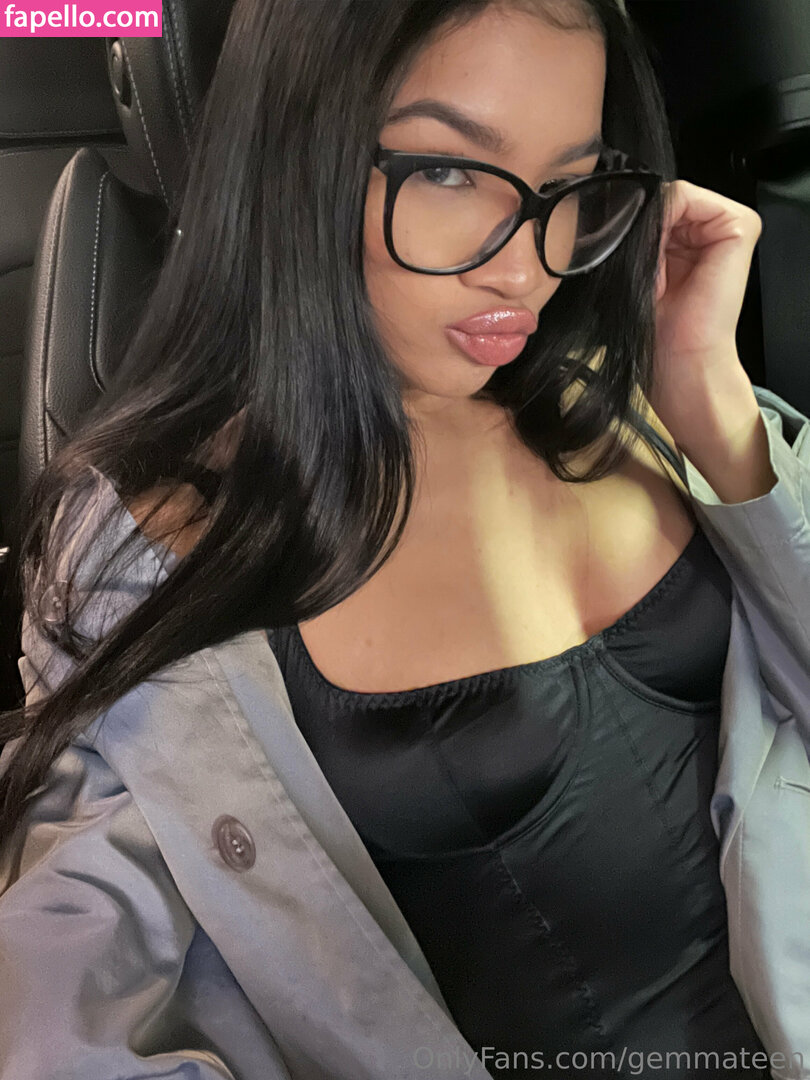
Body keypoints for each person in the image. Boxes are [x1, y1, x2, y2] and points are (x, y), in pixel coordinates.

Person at [0, 0, 807, 1077]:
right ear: (297, 159)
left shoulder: (633, 401)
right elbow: (68, 1003)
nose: (525, 271)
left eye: (570, 182)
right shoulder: (156, 545)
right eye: (447, 172)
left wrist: (717, 406)